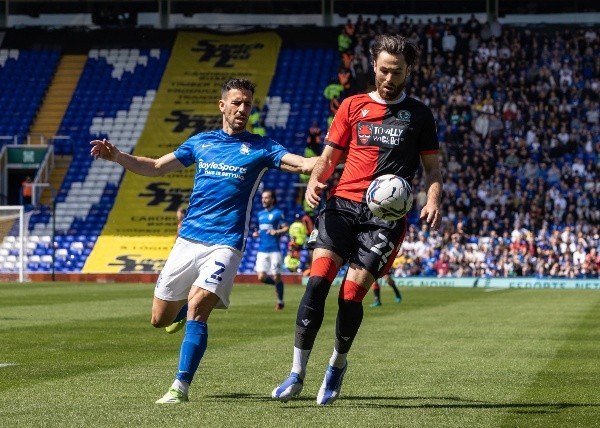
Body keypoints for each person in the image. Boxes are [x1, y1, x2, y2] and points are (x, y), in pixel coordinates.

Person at [89, 78, 316, 404]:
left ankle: (179, 387)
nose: (242, 109)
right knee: (159, 319)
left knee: (198, 307)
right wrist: (117, 156)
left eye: (248, 104)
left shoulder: (262, 147)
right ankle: (177, 313)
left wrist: (333, 157)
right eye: (236, 102)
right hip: (188, 241)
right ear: (222, 105)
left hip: (226, 243)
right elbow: (155, 167)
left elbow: (304, 163)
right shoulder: (201, 142)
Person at [272, 34, 443, 405]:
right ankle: (297, 373)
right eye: (383, 70)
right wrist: (315, 181)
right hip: (342, 205)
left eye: (396, 72)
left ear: (408, 71)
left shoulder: (419, 114)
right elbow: (329, 156)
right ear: (374, 66)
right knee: (317, 284)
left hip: (384, 217)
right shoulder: (352, 106)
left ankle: (336, 365)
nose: (388, 78)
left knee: (351, 296)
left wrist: (432, 200)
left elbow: (433, 168)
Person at [251, 189, 289, 310]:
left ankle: (280, 301)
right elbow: (261, 230)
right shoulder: (260, 214)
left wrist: (276, 231)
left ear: (272, 199)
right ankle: (277, 285)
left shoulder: (278, 213)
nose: (263, 200)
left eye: (266, 198)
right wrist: (257, 234)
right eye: (262, 198)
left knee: (276, 276)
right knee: (261, 277)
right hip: (262, 249)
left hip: (274, 250)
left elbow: (286, 228)